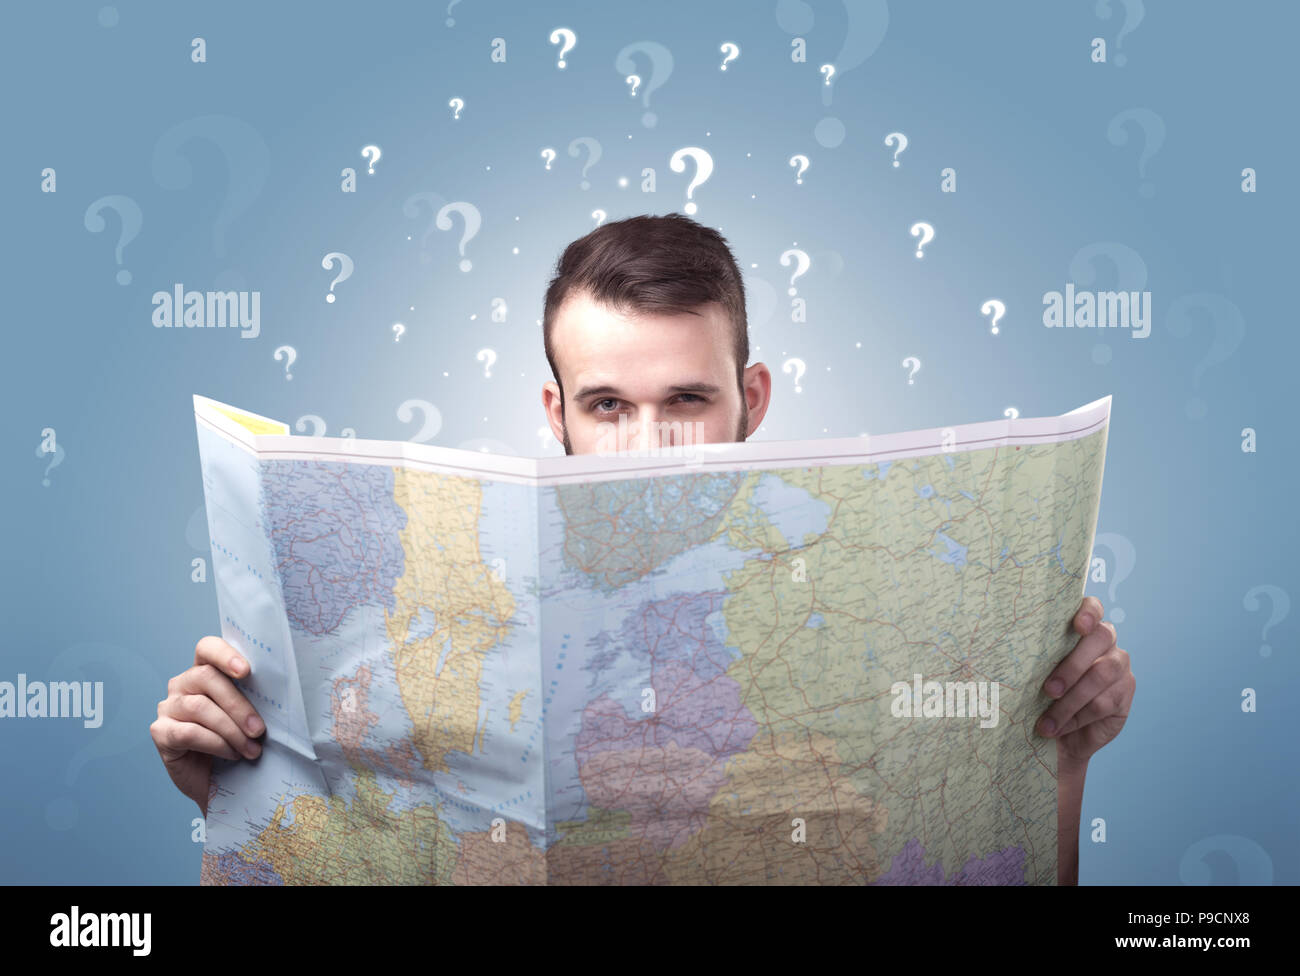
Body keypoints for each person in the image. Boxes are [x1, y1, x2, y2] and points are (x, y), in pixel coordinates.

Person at [152, 213, 1134, 884]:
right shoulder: (455, 597)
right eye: (608, 405)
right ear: (557, 412)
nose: (648, 446)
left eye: (687, 401)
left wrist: (1061, 760)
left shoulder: (884, 598)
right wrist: (239, 784)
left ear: (751, 401)